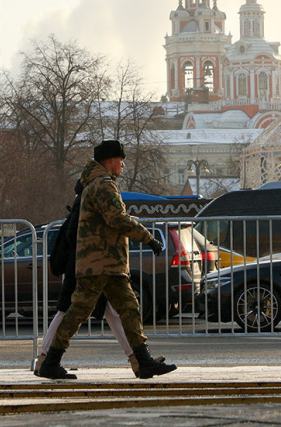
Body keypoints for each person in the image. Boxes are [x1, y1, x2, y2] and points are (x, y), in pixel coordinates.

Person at [37, 139, 178, 380]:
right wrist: (149, 238)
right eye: (120, 160)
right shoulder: (103, 185)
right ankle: (50, 362)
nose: (123, 165)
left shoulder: (95, 184)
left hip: (106, 263)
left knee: (129, 309)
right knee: (78, 312)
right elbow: (118, 219)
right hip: (99, 263)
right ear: (110, 160)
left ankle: (143, 361)